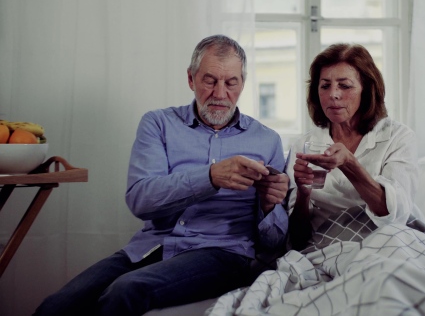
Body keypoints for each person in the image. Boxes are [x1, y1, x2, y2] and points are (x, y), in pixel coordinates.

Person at [34, 34, 289, 315]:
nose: (220, 93)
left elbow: (273, 243)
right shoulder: (158, 124)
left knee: (127, 291)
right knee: (55, 307)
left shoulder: (267, 141)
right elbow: (140, 200)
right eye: (209, 80)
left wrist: (268, 206)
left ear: (242, 83)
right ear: (191, 79)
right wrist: (211, 177)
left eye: (231, 82)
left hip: (223, 254)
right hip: (152, 246)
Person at [287, 43, 425, 250]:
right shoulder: (303, 145)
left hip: (386, 244)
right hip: (329, 246)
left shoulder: (398, 137)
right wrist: (303, 194)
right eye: (325, 86)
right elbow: (297, 238)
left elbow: (394, 216)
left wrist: (350, 164)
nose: (333, 94)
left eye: (344, 85)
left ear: (367, 90)